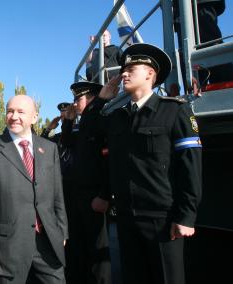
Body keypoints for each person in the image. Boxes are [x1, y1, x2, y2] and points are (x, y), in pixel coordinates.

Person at [95, 43, 202, 284]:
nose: (124, 73)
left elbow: (190, 166)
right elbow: (92, 139)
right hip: (126, 218)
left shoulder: (174, 111)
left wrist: (186, 215)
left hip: (162, 220)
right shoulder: (117, 118)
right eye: (123, 69)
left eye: (132, 68)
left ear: (150, 74)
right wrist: (100, 101)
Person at [0, 95, 68, 283]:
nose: (14, 116)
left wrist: (62, 231)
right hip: (7, 250)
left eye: (21, 112)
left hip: (48, 244)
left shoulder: (49, 149)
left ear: (35, 117)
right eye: (10, 111)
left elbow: (57, 196)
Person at [61, 81, 111, 284]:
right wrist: (67, 123)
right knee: (78, 245)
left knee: (97, 251)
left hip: (94, 196)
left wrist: (105, 195)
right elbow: (67, 144)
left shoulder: (100, 120)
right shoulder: (82, 125)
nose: (74, 104)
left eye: (78, 99)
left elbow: (109, 163)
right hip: (77, 195)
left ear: (91, 98)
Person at [174, 0, 233, 86]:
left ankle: (225, 84)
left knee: (209, 43)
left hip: (202, 5)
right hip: (183, 9)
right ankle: (196, 86)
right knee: (187, 51)